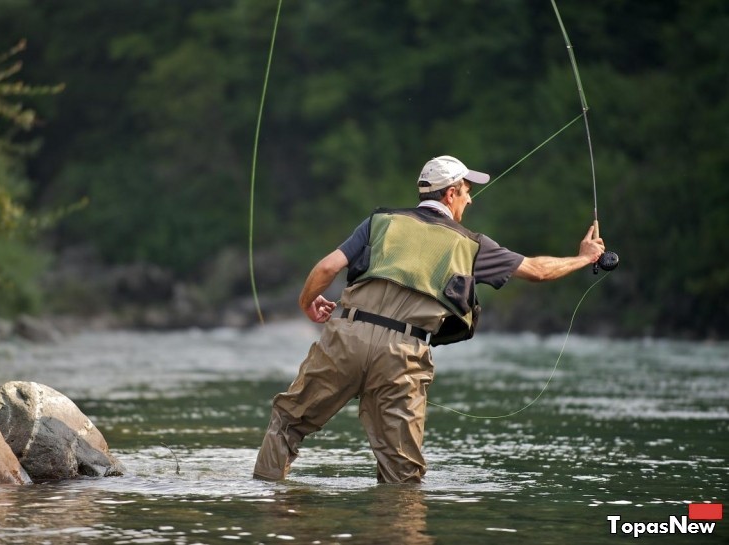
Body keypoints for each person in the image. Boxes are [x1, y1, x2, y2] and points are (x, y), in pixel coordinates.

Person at [253, 155, 606, 483]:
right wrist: (583, 258)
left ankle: (270, 511)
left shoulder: (381, 222)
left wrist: (306, 305)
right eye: (467, 192)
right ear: (451, 193)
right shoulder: (472, 244)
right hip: (403, 353)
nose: (470, 200)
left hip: (347, 337)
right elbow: (538, 271)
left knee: (288, 422)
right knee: (402, 468)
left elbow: (328, 267)